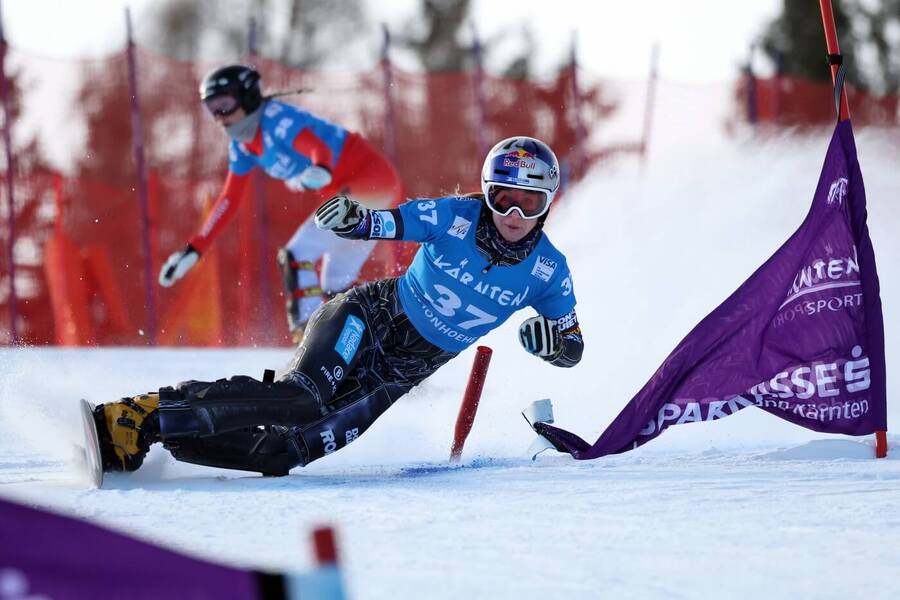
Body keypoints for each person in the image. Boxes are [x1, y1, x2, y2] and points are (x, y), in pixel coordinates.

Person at [92, 136, 583, 476]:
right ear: (486, 193)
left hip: (397, 376)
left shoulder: (549, 271)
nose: (514, 215)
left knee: (284, 450)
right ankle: (139, 414)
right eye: (503, 199)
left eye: (530, 202)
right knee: (300, 399)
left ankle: (173, 436)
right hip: (367, 321)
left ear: (548, 203)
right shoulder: (454, 215)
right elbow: (386, 222)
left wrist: (553, 347)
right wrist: (353, 220)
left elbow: (573, 349)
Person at [158, 64, 403, 342]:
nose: (219, 118)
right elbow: (229, 199)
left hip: (370, 183)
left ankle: (310, 339)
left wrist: (321, 167)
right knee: (337, 284)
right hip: (360, 191)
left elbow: (315, 147)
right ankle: (381, 337)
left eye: (224, 105)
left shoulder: (275, 120)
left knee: (298, 253)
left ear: (247, 97)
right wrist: (195, 248)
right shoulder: (243, 145)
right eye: (211, 108)